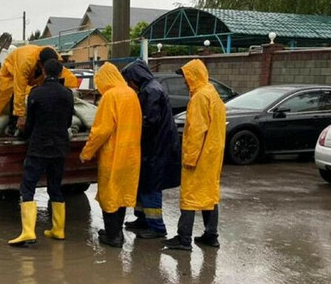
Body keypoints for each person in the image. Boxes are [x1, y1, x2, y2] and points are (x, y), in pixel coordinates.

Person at [8, 59, 75, 246]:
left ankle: (28, 232)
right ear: (61, 72)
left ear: (43, 72)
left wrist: (23, 134)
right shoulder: (68, 94)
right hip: (60, 148)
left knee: (28, 187)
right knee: (55, 187)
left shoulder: (36, 93)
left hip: (39, 148)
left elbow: (30, 125)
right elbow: (69, 122)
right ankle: (58, 229)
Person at [163, 59, 226, 251]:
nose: (184, 81)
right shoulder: (213, 94)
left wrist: (189, 158)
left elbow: (197, 131)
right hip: (212, 155)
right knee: (209, 195)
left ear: (194, 76)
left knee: (190, 197)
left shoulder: (199, 98)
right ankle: (211, 235)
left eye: (186, 77)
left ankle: (184, 239)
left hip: (199, 156)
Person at [80, 63, 142, 248]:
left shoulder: (110, 96)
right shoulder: (131, 94)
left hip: (113, 154)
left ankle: (113, 236)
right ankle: (116, 232)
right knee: (121, 195)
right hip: (130, 155)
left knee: (109, 196)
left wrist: (87, 152)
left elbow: (101, 130)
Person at [120, 59, 181, 239]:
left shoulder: (151, 91)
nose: (129, 85)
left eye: (129, 80)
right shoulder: (149, 89)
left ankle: (157, 227)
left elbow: (149, 122)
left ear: (135, 78)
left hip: (157, 148)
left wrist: (130, 132)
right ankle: (143, 219)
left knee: (151, 186)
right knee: (142, 184)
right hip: (153, 147)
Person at [0, 45, 78, 131]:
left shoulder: (54, 58)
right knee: (12, 93)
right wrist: (21, 116)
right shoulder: (25, 62)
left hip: (34, 73)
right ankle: (13, 124)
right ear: (41, 64)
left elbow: (64, 78)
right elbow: (19, 90)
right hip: (11, 73)